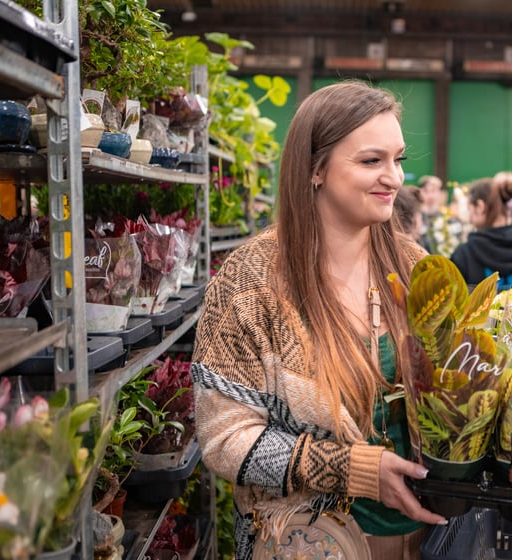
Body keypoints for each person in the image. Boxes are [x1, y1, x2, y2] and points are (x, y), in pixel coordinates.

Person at [189, 80, 447, 560]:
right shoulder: (250, 280)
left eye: (398, 159)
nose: (393, 178)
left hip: (429, 536)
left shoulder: (415, 267)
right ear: (315, 169)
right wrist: (351, 469)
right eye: (371, 161)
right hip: (309, 541)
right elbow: (225, 439)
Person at [417, 174, 461, 257]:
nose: (430, 196)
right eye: (426, 191)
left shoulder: (449, 217)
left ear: (439, 193)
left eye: (433, 191)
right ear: (420, 193)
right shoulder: (415, 218)